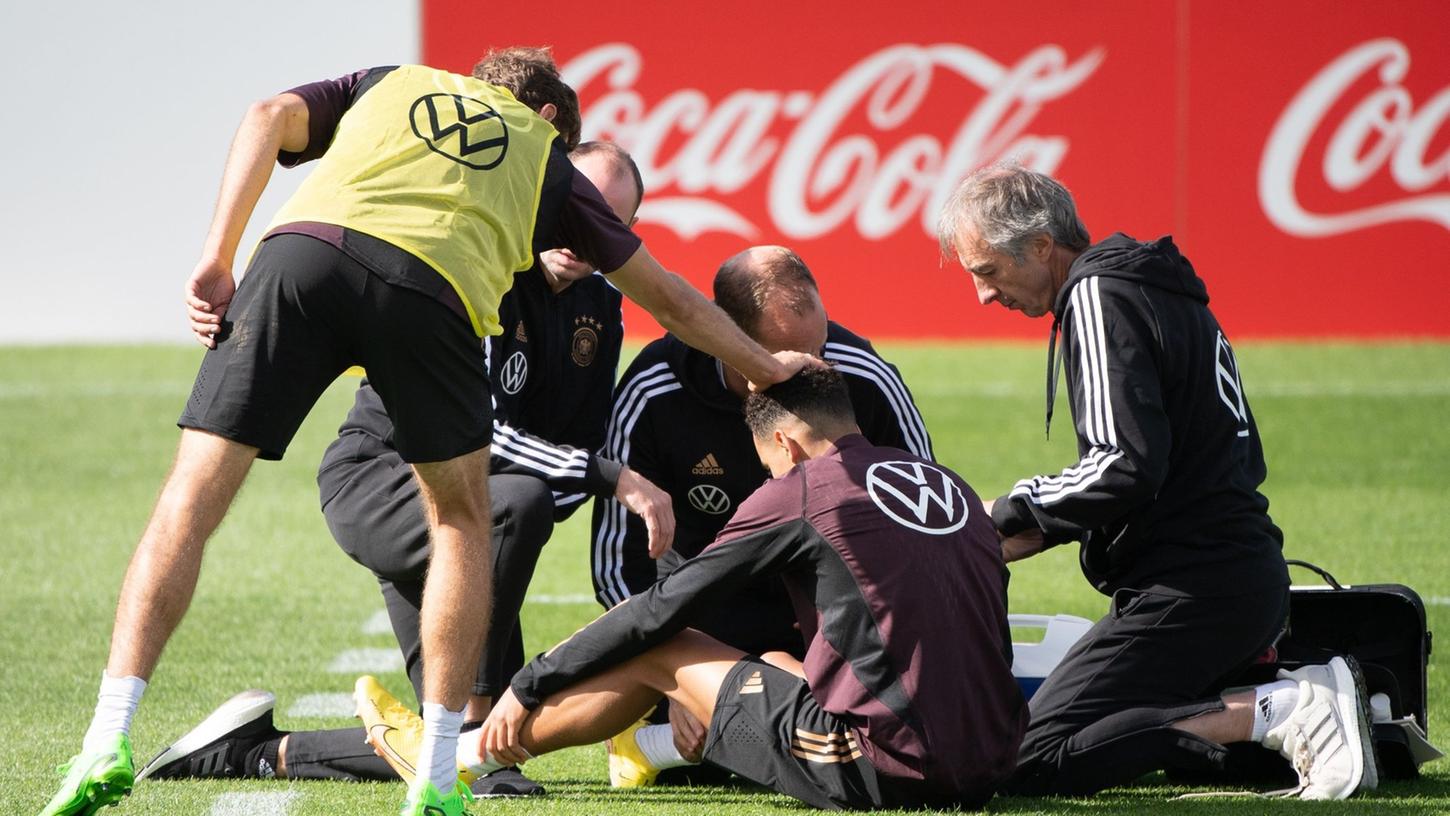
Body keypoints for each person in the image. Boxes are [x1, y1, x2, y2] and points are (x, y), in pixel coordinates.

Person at [41, 49, 811, 816]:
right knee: (470, 517)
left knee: (192, 492)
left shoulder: (391, 81)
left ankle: (112, 734)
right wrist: (767, 370)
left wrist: (216, 258)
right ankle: (444, 764)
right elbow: (673, 300)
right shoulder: (537, 162)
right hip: (419, 322)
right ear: (549, 124)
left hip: (302, 251)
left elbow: (266, 116)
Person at [129, 142, 661, 799]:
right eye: (579, 207)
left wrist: (591, 479)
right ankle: (475, 718)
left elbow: (576, 440)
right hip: (382, 479)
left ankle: (252, 752)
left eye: (609, 221)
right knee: (518, 511)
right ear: (544, 196)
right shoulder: (485, 270)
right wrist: (608, 477)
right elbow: (484, 435)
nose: (586, 234)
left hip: (473, 509)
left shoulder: (599, 308)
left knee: (473, 750)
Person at [360, 366, 1028, 809]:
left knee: (664, 645)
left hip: (888, 766)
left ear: (788, 446)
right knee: (774, 663)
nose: (767, 478)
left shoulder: (801, 490)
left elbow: (660, 610)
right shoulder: (947, 486)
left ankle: (458, 754)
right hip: (995, 754)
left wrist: (528, 682)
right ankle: (645, 748)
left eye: (766, 463)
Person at [936, 162, 1377, 800]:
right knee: (1167, 747)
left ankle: (1286, 705)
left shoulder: (1096, 294)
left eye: (987, 272)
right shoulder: (1144, 286)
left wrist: (1005, 512)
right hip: (1233, 578)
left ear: (1039, 246)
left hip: (1195, 587)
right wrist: (1040, 527)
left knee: (1030, 757)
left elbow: (1123, 466)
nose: (983, 296)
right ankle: (1308, 711)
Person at [589, 246, 935, 782]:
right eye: (781, 360)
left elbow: (926, 523)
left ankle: (673, 740)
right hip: (701, 624)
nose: (808, 374)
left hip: (826, 617)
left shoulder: (862, 375)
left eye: (817, 350)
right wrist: (670, 672)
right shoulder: (654, 391)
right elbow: (619, 561)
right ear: (722, 334)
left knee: (895, 754)